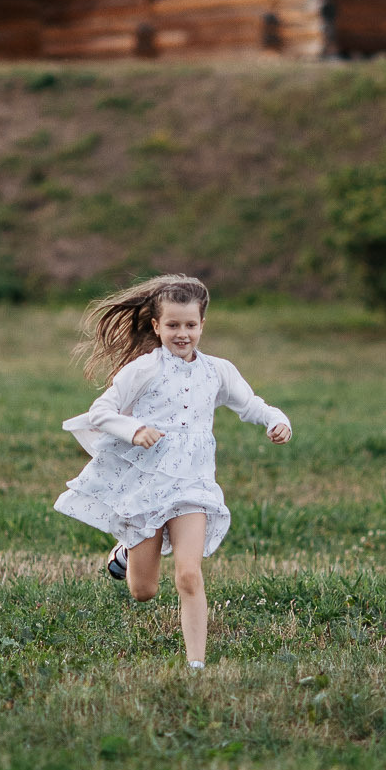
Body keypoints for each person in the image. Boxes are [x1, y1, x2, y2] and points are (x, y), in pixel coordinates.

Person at [54, 274, 292, 670]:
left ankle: (196, 665)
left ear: (202, 325)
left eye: (191, 325)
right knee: (144, 591)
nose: (183, 334)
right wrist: (134, 430)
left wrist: (276, 420)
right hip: (147, 485)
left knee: (188, 575)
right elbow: (101, 412)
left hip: (194, 486)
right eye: (173, 325)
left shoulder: (218, 371)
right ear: (156, 326)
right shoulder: (143, 369)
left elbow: (251, 405)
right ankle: (127, 549)